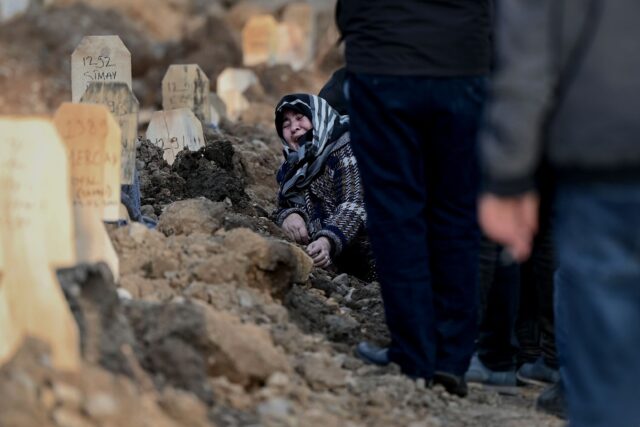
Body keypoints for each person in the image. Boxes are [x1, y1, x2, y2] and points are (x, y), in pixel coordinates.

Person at [479, 0, 640, 425]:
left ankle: (569, 381)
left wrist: (508, 173)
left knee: (601, 342)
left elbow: (529, 54)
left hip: (607, 156)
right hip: (605, 156)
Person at [339, 0, 493, 397]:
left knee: (395, 212)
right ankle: (451, 359)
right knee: (457, 213)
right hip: (460, 59)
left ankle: (415, 355)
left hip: (383, 58)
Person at [273, 93, 374, 281]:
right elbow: (282, 206)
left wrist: (327, 240)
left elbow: (355, 203)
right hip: (342, 262)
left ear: (317, 117)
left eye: (300, 117)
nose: (294, 127)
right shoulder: (293, 168)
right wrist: (290, 215)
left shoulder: (348, 146)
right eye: (285, 124)